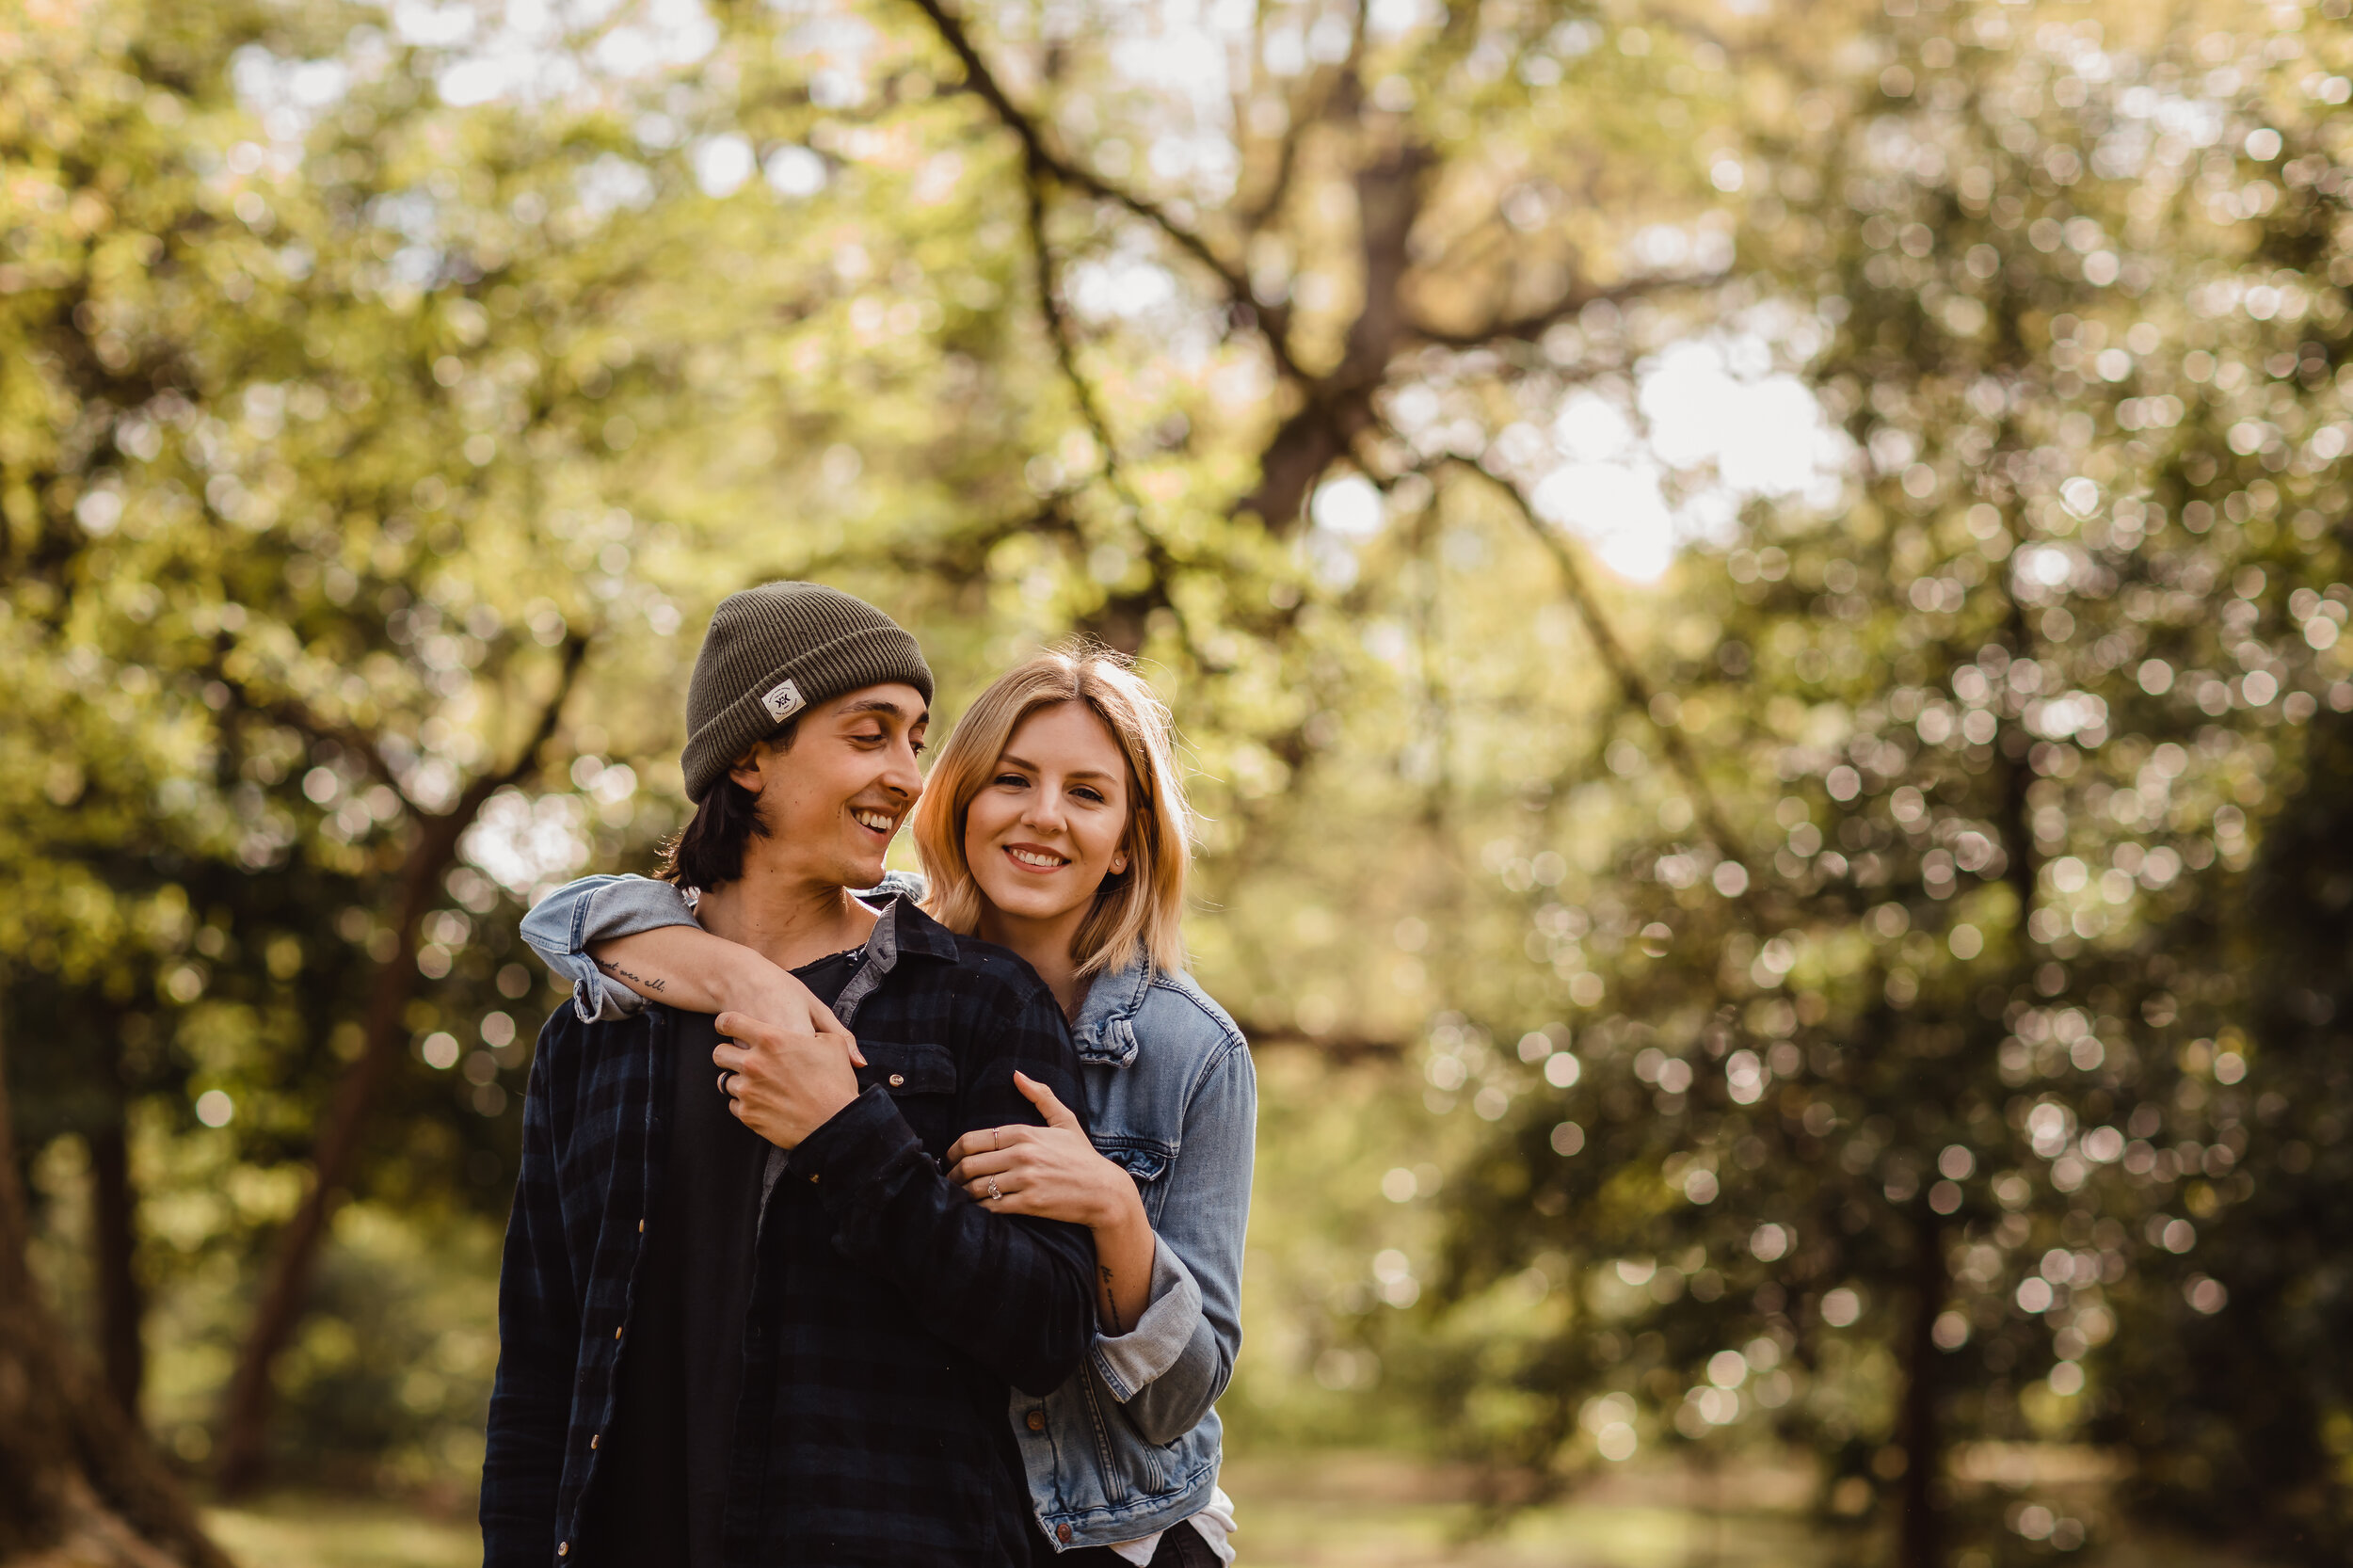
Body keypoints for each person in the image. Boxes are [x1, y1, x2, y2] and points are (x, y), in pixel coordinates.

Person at [523, 645, 1256, 1565]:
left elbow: (1179, 1394)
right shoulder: (890, 957)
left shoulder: (1191, 1049)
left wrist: (1115, 1214)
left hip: (1115, 1530)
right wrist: (739, 974)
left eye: (1086, 793)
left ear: (1128, 837)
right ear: (959, 799)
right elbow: (570, 920)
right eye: (1012, 779)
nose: (1042, 816)